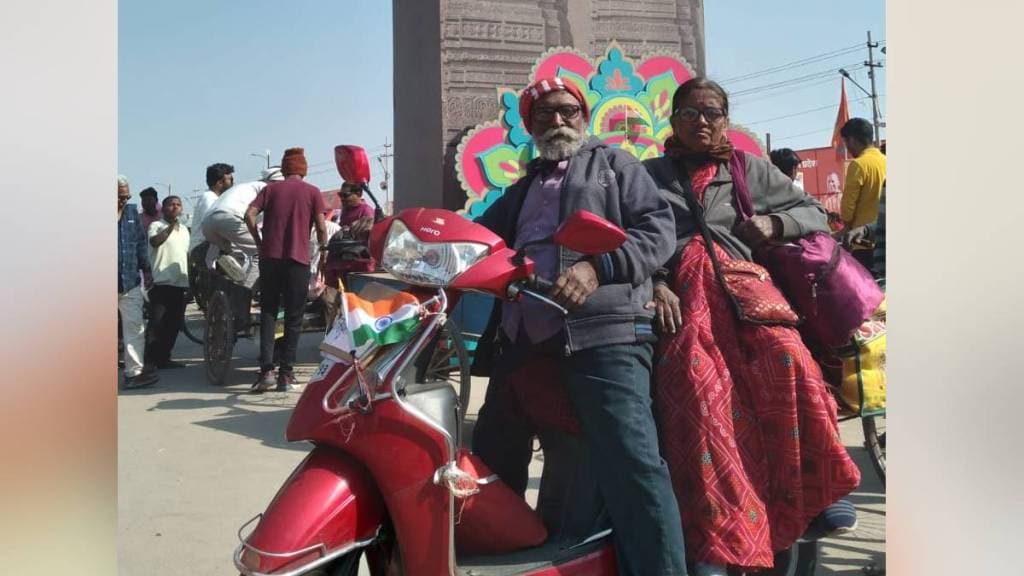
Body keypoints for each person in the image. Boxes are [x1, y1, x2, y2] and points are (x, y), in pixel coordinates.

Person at [643, 78, 861, 575]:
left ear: (725, 119)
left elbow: (813, 213)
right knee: (698, 393)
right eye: (691, 112)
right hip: (684, 299)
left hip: (749, 293)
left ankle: (819, 493)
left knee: (791, 362)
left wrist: (774, 225)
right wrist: (656, 282)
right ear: (674, 119)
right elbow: (631, 235)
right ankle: (718, 533)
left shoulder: (748, 170)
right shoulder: (647, 176)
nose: (702, 120)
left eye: (713, 112)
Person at [471, 76, 687, 576]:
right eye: (544, 114)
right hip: (525, 337)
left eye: (568, 110)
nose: (558, 120)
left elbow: (657, 232)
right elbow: (480, 242)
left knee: (633, 463)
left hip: (604, 328)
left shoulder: (614, 166)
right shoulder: (521, 189)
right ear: (528, 125)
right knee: (488, 458)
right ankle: (498, 556)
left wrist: (597, 267)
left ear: (583, 116)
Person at [245, 148, 327, 392]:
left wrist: (260, 242)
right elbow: (322, 227)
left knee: (269, 312)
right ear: (303, 169)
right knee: (294, 317)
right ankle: (286, 375)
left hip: (270, 260)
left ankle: (266, 371)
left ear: (284, 168)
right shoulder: (313, 192)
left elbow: (249, 215)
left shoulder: (269, 190)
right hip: (297, 262)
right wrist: (323, 251)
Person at [202, 166, 285, 286]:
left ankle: (228, 287)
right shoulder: (266, 188)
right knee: (260, 254)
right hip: (228, 217)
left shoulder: (246, 187)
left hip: (208, 223)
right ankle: (245, 294)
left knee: (237, 257)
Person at [117, 175, 159, 388]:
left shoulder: (132, 213)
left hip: (130, 281)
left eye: (126, 196)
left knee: (134, 329)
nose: (123, 200)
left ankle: (133, 374)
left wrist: (147, 270)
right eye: (119, 197)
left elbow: (141, 244)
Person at [145, 195, 191, 369]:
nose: (175, 207)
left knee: (173, 325)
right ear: (163, 208)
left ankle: (164, 358)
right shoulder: (156, 225)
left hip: (180, 284)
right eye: (171, 205)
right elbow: (155, 241)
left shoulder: (185, 231)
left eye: (178, 205)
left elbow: (187, 256)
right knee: (156, 324)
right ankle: (150, 361)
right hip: (162, 283)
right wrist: (172, 225)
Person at [838, 118, 886, 270]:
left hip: (861, 241)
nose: (847, 148)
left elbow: (848, 207)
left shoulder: (858, 164)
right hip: (884, 238)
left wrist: (844, 229)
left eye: (846, 143)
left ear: (851, 140)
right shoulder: (886, 160)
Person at [189, 162, 235, 269]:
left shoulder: (216, 199)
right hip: (203, 250)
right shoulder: (209, 199)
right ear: (219, 183)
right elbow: (214, 226)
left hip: (209, 250)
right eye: (230, 180)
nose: (233, 183)